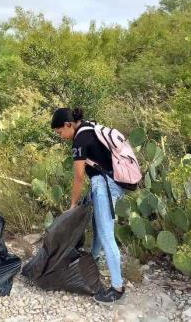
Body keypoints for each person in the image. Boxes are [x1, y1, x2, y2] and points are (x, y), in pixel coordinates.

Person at [51, 107, 126, 304]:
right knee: (98, 226)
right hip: (113, 182)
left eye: (60, 132)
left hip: (104, 185)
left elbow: (78, 176)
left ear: (68, 125)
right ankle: (92, 261)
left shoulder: (79, 139)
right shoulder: (90, 126)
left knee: (105, 233)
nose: (61, 136)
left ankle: (117, 288)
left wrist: (73, 204)